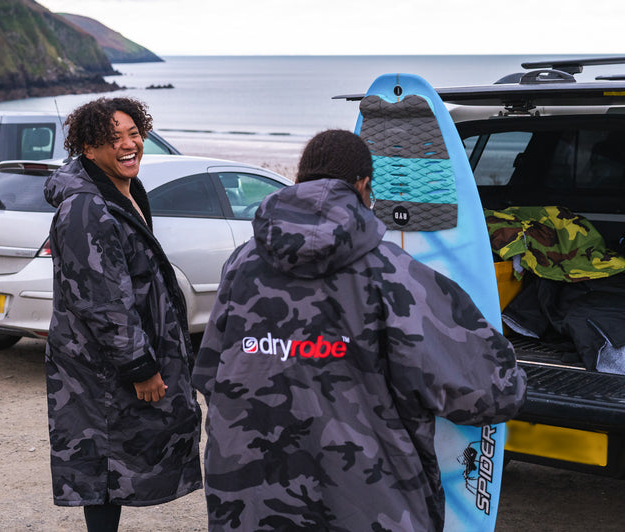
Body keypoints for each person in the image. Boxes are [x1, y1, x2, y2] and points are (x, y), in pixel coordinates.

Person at [191, 129, 527, 531]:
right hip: (367, 505)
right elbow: (489, 393)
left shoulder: (240, 263)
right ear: (364, 185)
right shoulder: (395, 274)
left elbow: (210, 373)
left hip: (247, 501)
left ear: (300, 180)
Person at [43, 97, 202, 531]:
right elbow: (103, 299)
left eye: (134, 133)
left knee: (113, 462)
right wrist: (140, 365)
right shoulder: (85, 207)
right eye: (114, 139)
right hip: (97, 369)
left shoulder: (123, 192)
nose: (129, 144)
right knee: (102, 462)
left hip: (110, 363)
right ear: (88, 150)